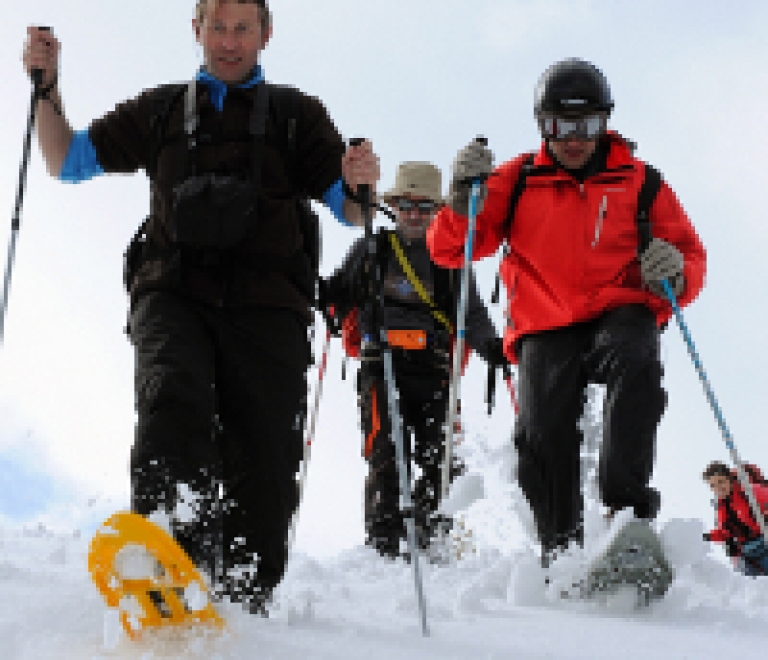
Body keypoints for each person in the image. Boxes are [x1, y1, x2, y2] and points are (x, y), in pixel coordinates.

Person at [23, 0, 380, 613]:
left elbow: (351, 211)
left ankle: (242, 596)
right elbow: (65, 160)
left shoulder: (298, 117)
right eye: (218, 26)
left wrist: (359, 183)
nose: (230, 41)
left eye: (243, 28)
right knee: (174, 397)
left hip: (269, 306)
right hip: (173, 290)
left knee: (266, 456)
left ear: (266, 33)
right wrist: (47, 87)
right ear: (197, 30)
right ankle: (164, 551)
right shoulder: (161, 109)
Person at [427, 58, 707, 567]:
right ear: (542, 125)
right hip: (544, 321)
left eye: (586, 125)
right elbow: (451, 251)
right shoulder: (516, 181)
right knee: (542, 429)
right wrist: (461, 204)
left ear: (605, 121)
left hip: (619, 308)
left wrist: (677, 272)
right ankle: (560, 547)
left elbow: (689, 254)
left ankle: (626, 515)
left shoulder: (641, 183)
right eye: (558, 125)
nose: (573, 139)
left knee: (637, 360)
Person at [320, 161, 504, 559]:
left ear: (438, 210)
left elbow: (472, 314)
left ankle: (432, 537)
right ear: (394, 207)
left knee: (440, 458)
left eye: (423, 207)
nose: (414, 215)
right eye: (406, 205)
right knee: (386, 449)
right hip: (379, 362)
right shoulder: (372, 248)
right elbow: (340, 294)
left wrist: (491, 346)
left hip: (434, 367)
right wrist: (329, 295)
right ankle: (384, 544)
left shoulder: (452, 259)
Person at [703, 461, 768, 576]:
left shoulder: (750, 491)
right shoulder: (722, 506)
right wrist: (708, 536)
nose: (718, 488)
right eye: (713, 485)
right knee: (747, 586)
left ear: (730, 479)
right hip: (745, 553)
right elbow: (726, 532)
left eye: (721, 482)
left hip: (764, 544)